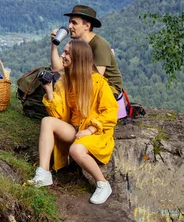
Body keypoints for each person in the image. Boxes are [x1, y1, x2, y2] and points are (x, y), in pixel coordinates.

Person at [28, 40, 118, 205]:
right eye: (64, 52)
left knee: (76, 150)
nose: (62, 56)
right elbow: (59, 114)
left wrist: (90, 129)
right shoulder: (64, 81)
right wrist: (49, 91)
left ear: (79, 57)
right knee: (47, 121)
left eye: (67, 53)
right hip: (75, 129)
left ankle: (103, 184)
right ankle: (44, 173)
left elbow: (111, 113)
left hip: (96, 132)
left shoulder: (98, 82)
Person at [50, 5, 123, 95]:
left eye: (74, 23)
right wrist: (54, 44)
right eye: (69, 22)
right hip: (85, 83)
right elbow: (56, 67)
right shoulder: (75, 45)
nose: (69, 26)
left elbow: (97, 79)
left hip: (108, 88)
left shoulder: (99, 45)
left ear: (87, 26)